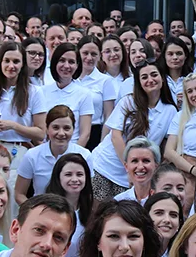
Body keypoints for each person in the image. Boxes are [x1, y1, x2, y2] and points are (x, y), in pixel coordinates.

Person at [91, 61, 178, 200]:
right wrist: (129, 168)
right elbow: (115, 137)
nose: (150, 80)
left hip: (135, 175)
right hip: (104, 166)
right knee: (97, 215)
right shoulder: (128, 101)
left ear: (162, 77)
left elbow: (164, 145)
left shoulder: (170, 110)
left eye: (154, 75)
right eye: (144, 77)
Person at [0, 40, 47, 183]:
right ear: (0, 63)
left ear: (22, 64)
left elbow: (41, 132)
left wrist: (13, 126)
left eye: (16, 61)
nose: (11, 66)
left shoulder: (34, 92)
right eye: (7, 61)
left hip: (19, 152)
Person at [15, 105, 93, 202]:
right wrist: (34, 213)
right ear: (47, 129)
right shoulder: (32, 155)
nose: (61, 133)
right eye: (55, 127)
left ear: (73, 130)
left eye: (66, 128)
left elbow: (88, 194)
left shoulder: (85, 155)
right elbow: (19, 194)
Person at [44, 152, 93, 257]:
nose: (75, 179)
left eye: (80, 174)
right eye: (68, 174)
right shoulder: (46, 211)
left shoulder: (90, 211)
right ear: (58, 177)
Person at [40, 42, 93, 146]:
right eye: (62, 60)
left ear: (77, 65)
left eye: (71, 62)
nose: (66, 66)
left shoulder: (84, 94)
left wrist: (71, 156)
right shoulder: (41, 92)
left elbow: (85, 134)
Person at [75, 35, 117, 148]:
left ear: (99, 56)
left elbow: (109, 115)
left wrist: (102, 144)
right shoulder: (70, 79)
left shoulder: (105, 81)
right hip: (71, 132)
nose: (89, 58)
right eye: (85, 53)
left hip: (95, 134)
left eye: (94, 54)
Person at [113, 137, 161, 205]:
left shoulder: (163, 200)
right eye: (134, 161)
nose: (140, 167)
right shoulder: (119, 201)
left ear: (156, 166)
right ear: (126, 166)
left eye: (146, 161)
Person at [145, 191, 183, 257]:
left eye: (173, 215)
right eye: (159, 213)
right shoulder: (136, 255)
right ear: (146, 218)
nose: (167, 220)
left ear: (179, 223)